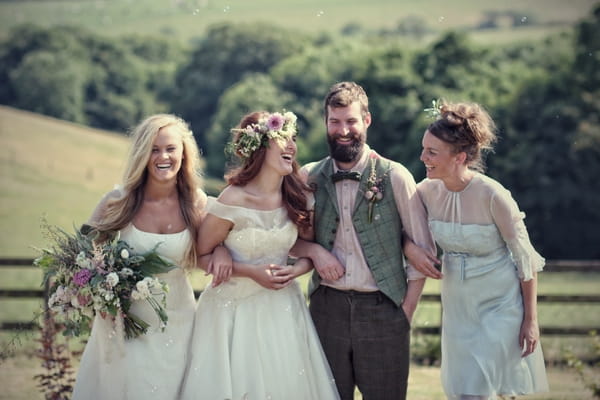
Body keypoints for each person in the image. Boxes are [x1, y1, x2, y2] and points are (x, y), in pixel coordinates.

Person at [291, 81, 440, 400]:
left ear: (366, 121)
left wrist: (405, 311)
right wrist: (315, 250)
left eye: (351, 121)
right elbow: (288, 240)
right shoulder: (308, 177)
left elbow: (423, 250)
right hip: (326, 307)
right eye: (335, 121)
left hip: (382, 308)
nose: (343, 130)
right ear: (326, 122)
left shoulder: (396, 176)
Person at [180, 110, 340, 400]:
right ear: (260, 147)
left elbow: (302, 249)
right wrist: (238, 265)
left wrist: (299, 269)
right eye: (283, 138)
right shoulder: (233, 199)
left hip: (282, 309)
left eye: (294, 139)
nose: (292, 146)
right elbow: (199, 255)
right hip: (232, 312)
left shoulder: (300, 197)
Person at [416, 100, 549, 399]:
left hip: (499, 305)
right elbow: (401, 231)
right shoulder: (425, 191)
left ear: (459, 157)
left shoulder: (494, 196)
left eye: (432, 152)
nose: (423, 156)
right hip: (458, 307)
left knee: (488, 387)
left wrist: (531, 321)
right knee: (466, 391)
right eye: (424, 148)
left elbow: (525, 259)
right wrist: (412, 251)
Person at [72, 114, 207, 400]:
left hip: (179, 322)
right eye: (154, 150)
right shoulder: (118, 200)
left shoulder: (197, 202)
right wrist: (95, 288)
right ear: (142, 155)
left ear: (184, 152)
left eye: (171, 148)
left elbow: (214, 249)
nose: (163, 157)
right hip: (124, 322)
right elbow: (82, 250)